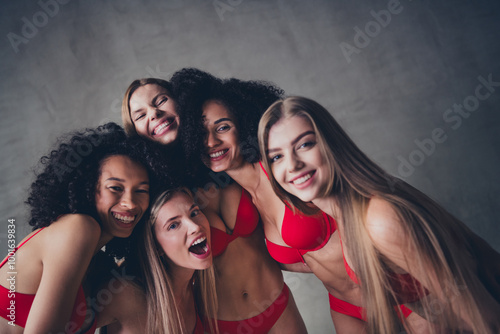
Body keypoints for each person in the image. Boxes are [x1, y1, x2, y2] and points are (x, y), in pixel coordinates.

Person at [258, 96, 500, 333]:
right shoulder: (348, 219)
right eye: (276, 156)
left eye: (305, 144)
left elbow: (485, 317)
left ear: (332, 144)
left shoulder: (379, 219)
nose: (292, 165)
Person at [121, 72, 308, 333]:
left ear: (181, 103)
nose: (153, 113)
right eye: (140, 115)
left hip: (278, 305)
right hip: (221, 324)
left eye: (160, 100)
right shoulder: (159, 197)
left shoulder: (231, 162)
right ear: (137, 133)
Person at [0, 123, 151, 334]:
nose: (131, 203)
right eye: (115, 188)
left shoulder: (97, 265)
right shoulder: (78, 228)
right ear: (87, 188)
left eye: (142, 191)